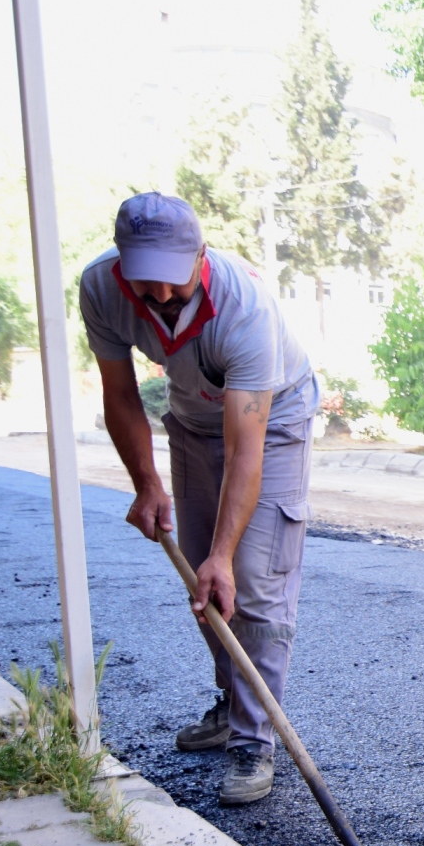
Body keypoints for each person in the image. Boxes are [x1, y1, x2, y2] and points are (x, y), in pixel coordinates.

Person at [81, 193, 322, 805]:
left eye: (172, 279)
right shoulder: (100, 289)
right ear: (122, 265)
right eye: (145, 281)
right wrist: (146, 482)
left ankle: (253, 739)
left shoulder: (244, 308)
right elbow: (121, 395)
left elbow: (248, 448)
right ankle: (232, 701)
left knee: (250, 576)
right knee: (201, 575)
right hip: (188, 421)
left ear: (200, 256)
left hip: (274, 422)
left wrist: (225, 550)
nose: (159, 296)